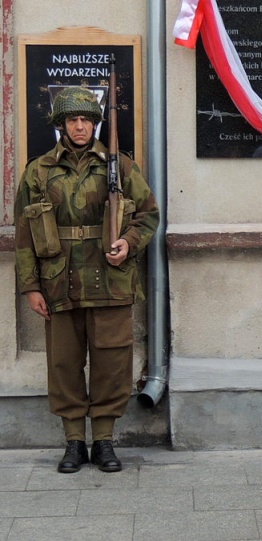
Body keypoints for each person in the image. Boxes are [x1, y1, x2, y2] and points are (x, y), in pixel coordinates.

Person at [13, 86, 160, 474]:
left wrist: (128, 243)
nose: (80, 127)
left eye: (87, 119)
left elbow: (148, 215)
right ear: (61, 124)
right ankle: (74, 441)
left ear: (96, 123)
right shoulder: (39, 171)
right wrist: (30, 286)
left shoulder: (122, 167)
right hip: (60, 282)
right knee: (64, 363)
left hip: (110, 281)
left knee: (112, 363)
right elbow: (24, 232)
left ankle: (105, 441)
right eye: (73, 120)